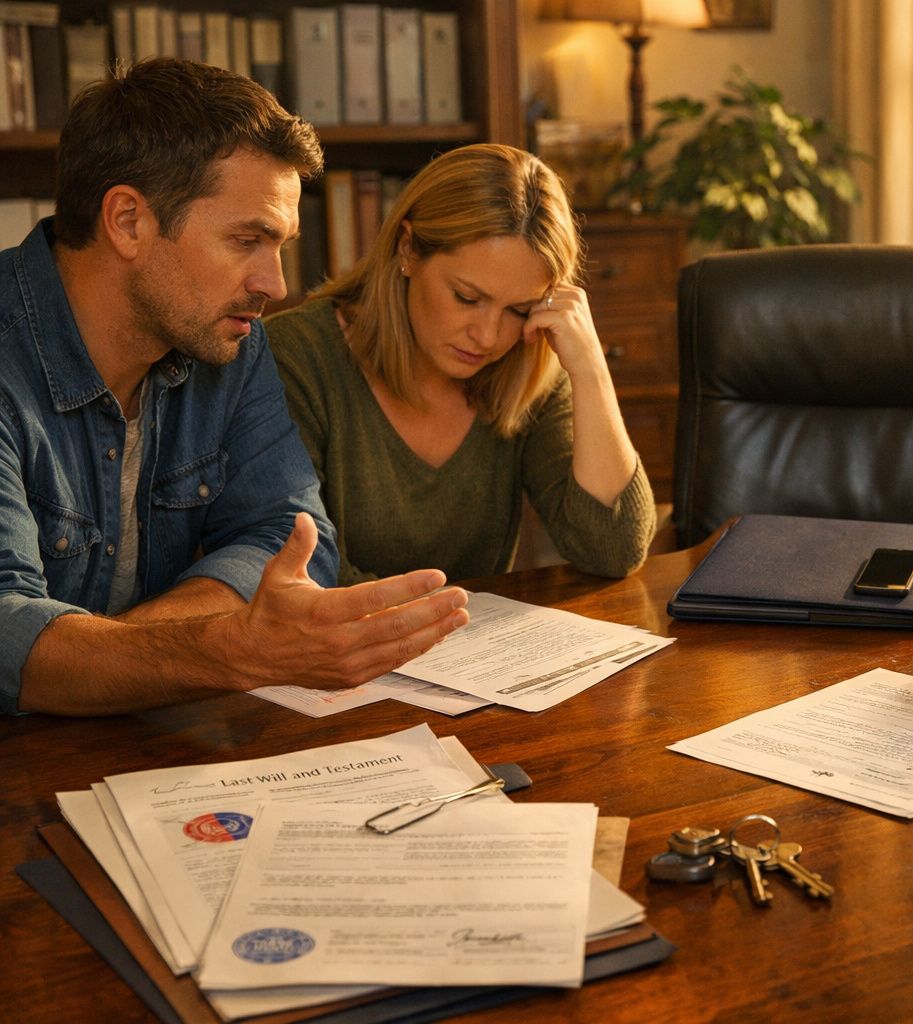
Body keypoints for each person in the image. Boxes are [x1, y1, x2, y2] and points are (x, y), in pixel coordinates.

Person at [0, 58, 470, 717]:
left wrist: (113, 655)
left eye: (280, 245)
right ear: (128, 220)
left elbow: (290, 535)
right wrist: (227, 651)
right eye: (247, 239)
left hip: (138, 752)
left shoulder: (229, 340)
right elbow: (6, 637)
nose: (275, 285)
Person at [264, 144, 655, 584]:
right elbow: (303, 569)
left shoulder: (531, 363)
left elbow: (614, 550)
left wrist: (590, 371)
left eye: (520, 310)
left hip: (478, 645)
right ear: (407, 249)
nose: (488, 337)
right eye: (468, 298)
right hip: (351, 648)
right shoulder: (298, 355)